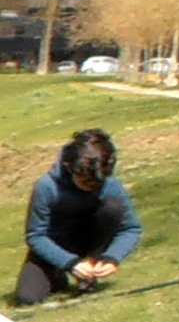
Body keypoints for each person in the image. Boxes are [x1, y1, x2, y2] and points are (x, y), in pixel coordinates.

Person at [13, 128, 142, 307]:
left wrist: (112, 258)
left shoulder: (112, 185)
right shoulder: (46, 187)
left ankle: (90, 273)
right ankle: (57, 276)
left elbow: (131, 228)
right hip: (56, 243)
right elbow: (35, 236)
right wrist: (69, 262)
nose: (91, 187)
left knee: (112, 207)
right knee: (26, 298)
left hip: (91, 240)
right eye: (85, 181)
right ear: (69, 166)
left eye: (97, 183)